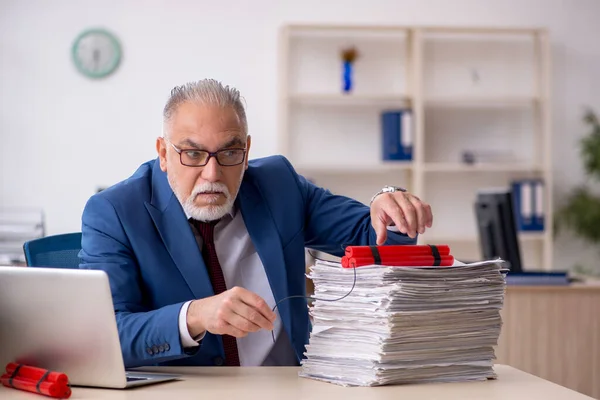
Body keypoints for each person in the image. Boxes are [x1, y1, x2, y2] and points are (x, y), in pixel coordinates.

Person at [79, 79, 434, 368]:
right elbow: (105, 335)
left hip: (291, 389)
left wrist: (389, 202)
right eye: (192, 154)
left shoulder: (278, 184)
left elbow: (381, 241)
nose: (212, 174)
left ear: (246, 151)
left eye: (230, 153)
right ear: (163, 154)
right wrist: (194, 316)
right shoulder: (115, 212)